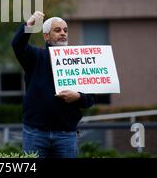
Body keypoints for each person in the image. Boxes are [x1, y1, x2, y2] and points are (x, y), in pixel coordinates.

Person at [11, 11, 95, 158]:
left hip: (66, 135)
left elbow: (90, 98)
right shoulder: (35, 57)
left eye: (65, 30)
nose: (63, 33)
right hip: (35, 133)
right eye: (57, 30)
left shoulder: (79, 60)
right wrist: (28, 26)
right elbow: (17, 45)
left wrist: (78, 97)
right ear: (46, 36)